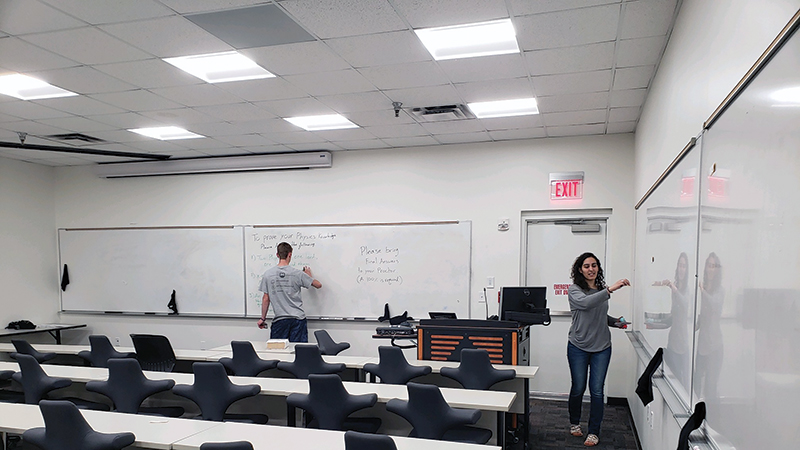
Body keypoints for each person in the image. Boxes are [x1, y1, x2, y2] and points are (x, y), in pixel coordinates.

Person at [567, 252, 630, 447]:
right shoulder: (574, 290)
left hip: (602, 347)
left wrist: (615, 322)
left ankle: (594, 432)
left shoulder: (601, 290)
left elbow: (599, 314)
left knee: (597, 390)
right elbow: (587, 304)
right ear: (580, 269)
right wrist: (611, 289)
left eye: (594, 265)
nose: (591, 269)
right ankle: (574, 422)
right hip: (578, 346)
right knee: (578, 388)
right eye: (586, 266)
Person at [256, 242, 322, 342]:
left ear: (277, 255)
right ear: (290, 254)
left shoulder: (268, 275)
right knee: (298, 352)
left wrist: (262, 319)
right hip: (298, 320)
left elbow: (266, 298)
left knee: (278, 353)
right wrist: (309, 277)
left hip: (280, 320)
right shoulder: (297, 274)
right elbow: (318, 285)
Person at [694, 252, 724, 401]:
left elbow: (714, 305)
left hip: (715, 346)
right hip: (702, 345)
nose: (710, 269)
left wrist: (703, 291)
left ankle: (712, 417)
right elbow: (703, 316)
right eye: (708, 265)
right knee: (697, 382)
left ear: (717, 270)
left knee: (711, 386)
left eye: (713, 266)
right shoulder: (703, 288)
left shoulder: (719, 290)